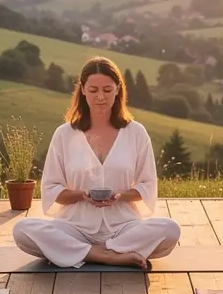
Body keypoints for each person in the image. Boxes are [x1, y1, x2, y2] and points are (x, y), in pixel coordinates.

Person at [12, 57, 181, 269]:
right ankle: (109, 255)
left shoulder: (136, 133)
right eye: (93, 90)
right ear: (82, 90)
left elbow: (146, 186)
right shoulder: (64, 134)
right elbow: (52, 190)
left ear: (118, 89)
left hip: (123, 227)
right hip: (74, 227)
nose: (100, 97)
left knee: (170, 229)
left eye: (107, 90)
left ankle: (86, 252)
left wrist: (120, 196)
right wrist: (81, 195)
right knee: (22, 229)